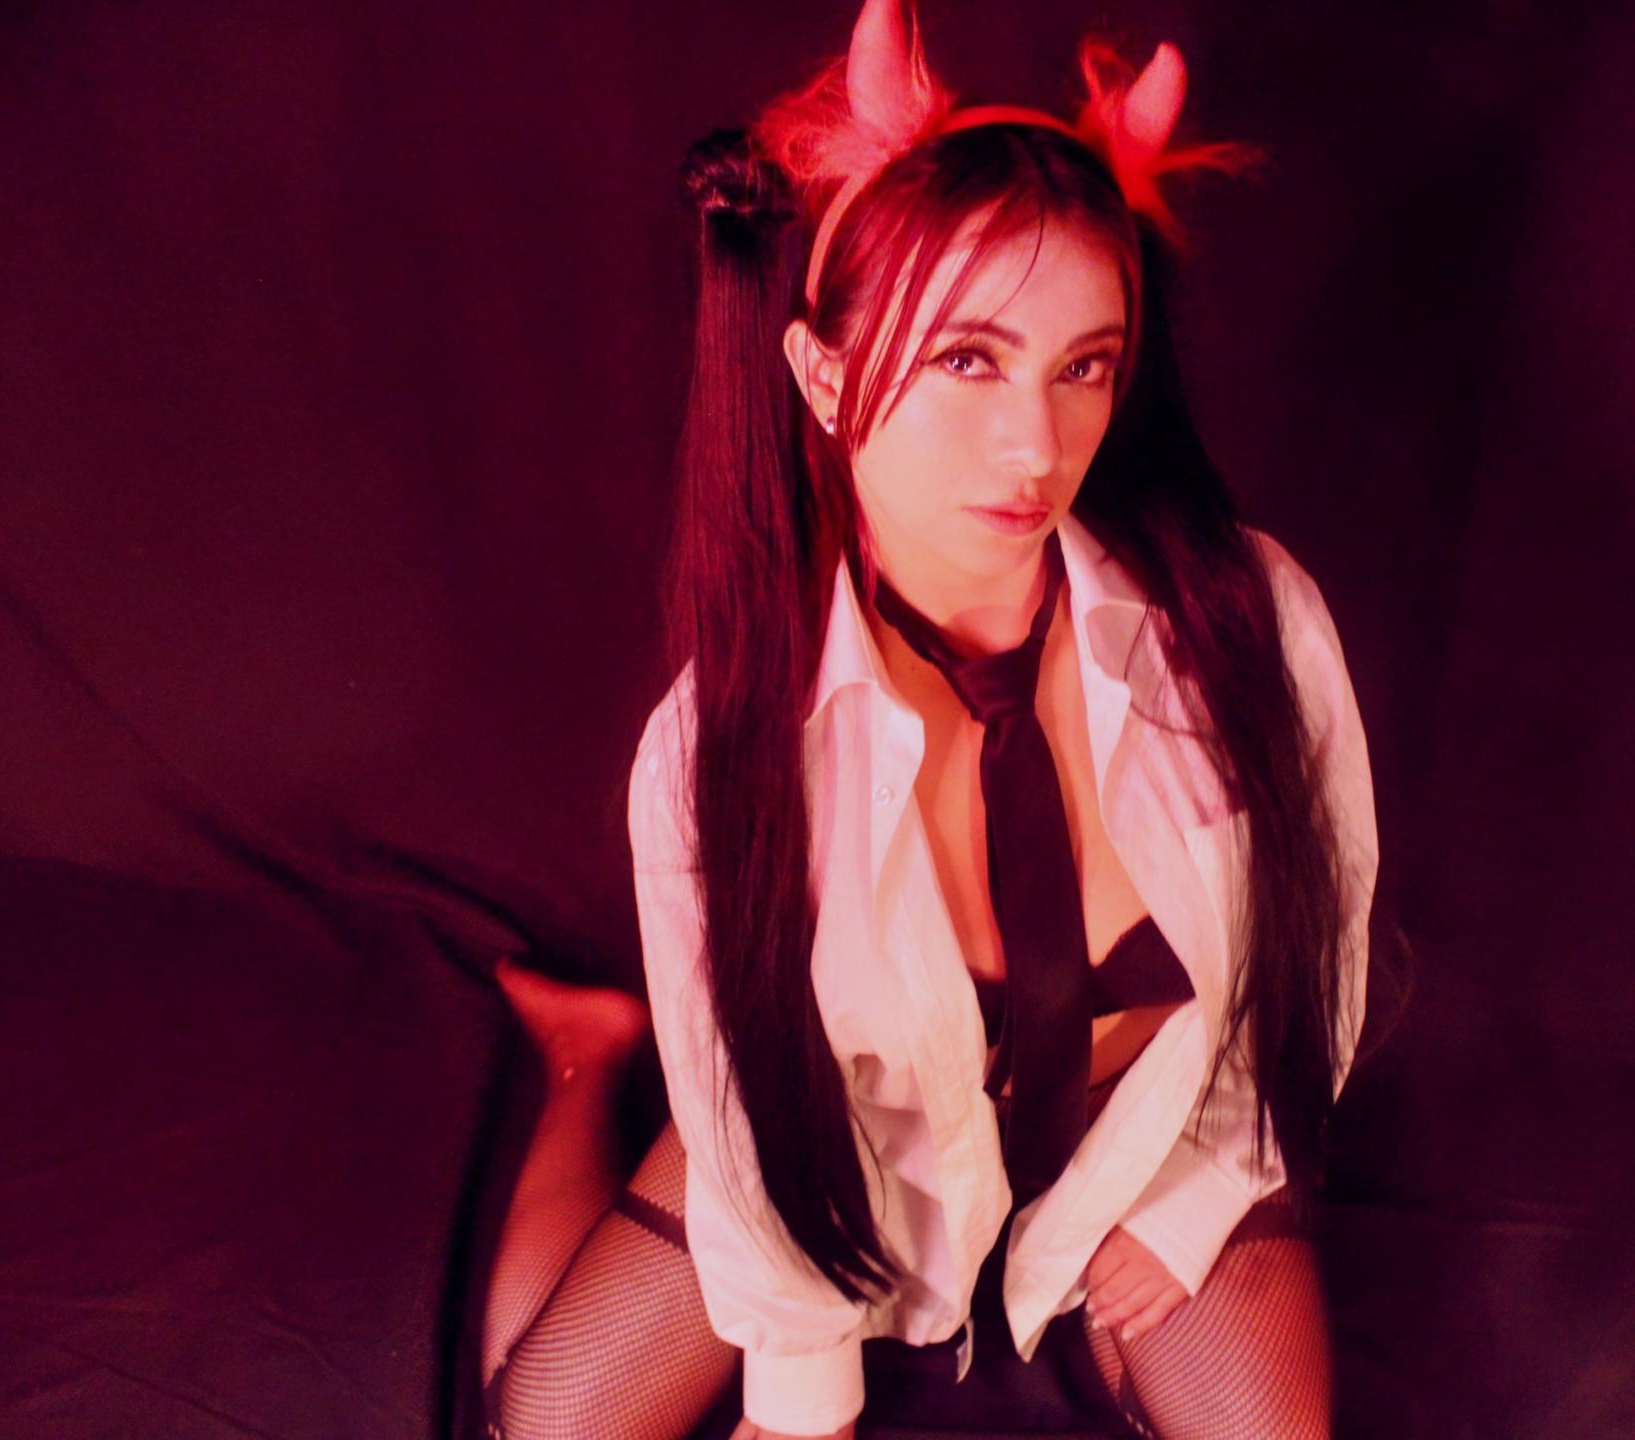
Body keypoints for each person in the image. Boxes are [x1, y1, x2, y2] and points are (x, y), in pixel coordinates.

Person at [478, 2, 1384, 1437]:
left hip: (1138, 1138)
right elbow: (750, 1118)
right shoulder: (725, 748)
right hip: (842, 1160)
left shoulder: (1245, 624)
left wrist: (1206, 1188)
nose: (1036, 445)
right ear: (825, 377)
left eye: (1082, 365)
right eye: (969, 359)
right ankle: (588, 1060)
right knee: (549, 1425)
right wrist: (803, 1404)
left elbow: (1318, 942)